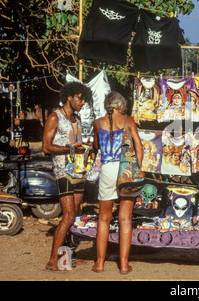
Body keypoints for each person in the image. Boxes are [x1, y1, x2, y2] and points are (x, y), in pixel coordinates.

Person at [42, 82, 92, 272]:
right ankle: (52, 260)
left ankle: (67, 256)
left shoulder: (76, 119)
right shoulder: (55, 117)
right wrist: (72, 148)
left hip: (79, 171)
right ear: (69, 97)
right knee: (69, 216)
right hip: (64, 173)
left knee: (75, 215)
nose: (82, 102)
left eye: (84, 99)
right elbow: (46, 147)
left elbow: (74, 143)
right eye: (80, 98)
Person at [91, 91, 143, 275]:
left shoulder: (98, 123)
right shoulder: (129, 121)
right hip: (126, 170)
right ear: (121, 105)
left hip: (106, 169)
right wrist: (139, 166)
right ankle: (123, 265)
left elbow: (96, 147)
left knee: (104, 218)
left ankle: (99, 263)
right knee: (125, 219)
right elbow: (138, 145)